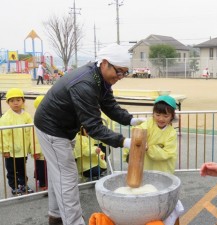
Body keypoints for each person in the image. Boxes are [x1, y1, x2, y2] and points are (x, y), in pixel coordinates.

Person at [34, 44, 146, 225]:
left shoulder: (101, 79)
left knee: (60, 176)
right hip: (52, 129)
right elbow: (94, 127)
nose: (120, 77)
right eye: (119, 72)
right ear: (104, 63)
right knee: (67, 178)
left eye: (125, 73)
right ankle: (73, 221)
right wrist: (124, 141)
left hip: (63, 128)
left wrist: (130, 120)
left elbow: (109, 105)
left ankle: (56, 217)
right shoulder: (85, 84)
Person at [123, 95, 178, 174]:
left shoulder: (171, 133)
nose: (161, 119)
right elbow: (137, 132)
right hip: (146, 166)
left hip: (163, 169)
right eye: (158, 115)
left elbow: (167, 153)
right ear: (153, 114)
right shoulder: (147, 125)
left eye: (166, 116)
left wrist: (149, 148)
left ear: (172, 116)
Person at [0, 88, 34, 196]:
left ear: (23, 101)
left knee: (22, 169)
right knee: (11, 170)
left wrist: (30, 148)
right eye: (12, 101)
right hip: (11, 151)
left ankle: (23, 184)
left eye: (18, 100)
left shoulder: (27, 116)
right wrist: (5, 150)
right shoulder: (6, 118)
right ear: (8, 103)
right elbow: (3, 135)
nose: (15, 103)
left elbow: (30, 133)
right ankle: (14, 187)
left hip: (22, 150)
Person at [33, 96, 48, 191]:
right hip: (39, 150)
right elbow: (33, 138)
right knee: (41, 167)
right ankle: (42, 183)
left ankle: (43, 181)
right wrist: (36, 150)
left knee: (46, 168)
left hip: (47, 149)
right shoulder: (35, 120)